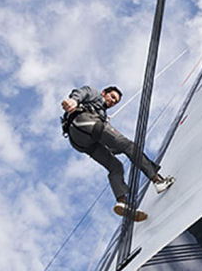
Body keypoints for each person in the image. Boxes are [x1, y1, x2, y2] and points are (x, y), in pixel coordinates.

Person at [61, 84, 174, 221]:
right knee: (129, 146)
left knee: (116, 167)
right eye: (112, 97)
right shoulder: (96, 96)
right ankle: (157, 179)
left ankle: (122, 202)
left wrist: (117, 148)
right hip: (84, 122)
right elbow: (84, 91)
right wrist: (74, 100)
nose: (113, 101)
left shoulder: (102, 113)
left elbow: (112, 146)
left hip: (81, 142)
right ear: (104, 93)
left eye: (116, 101)